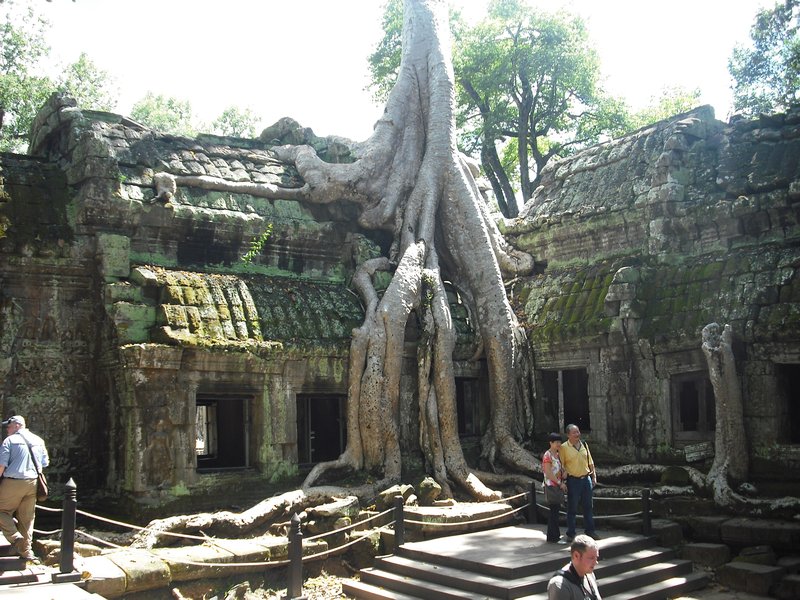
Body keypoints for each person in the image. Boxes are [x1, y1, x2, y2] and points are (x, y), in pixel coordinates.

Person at [0, 415, 49, 563]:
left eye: (8, 426)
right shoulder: (38, 440)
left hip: (13, 482)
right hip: (32, 483)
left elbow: (2, 466)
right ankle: (26, 552)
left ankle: (15, 537)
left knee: (2, 511)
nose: (7, 430)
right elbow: (44, 463)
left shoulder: (9, 441)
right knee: (27, 519)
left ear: (16, 425)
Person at [559, 424, 597, 542]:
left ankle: (590, 531)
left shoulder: (584, 444)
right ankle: (571, 533)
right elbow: (561, 464)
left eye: (578, 432)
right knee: (572, 508)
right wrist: (562, 480)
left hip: (586, 479)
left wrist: (594, 476)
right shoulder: (564, 448)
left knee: (588, 507)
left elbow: (590, 462)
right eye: (574, 432)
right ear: (568, 435)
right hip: (573, 480)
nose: (577, 434)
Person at [547, 534, 601, 599]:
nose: (596, 562)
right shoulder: (559, 584)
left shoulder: (590, 575)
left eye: (596, 558)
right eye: (591, 558)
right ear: (576, 556)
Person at [542, 432, 567, 543]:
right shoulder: (547, 455)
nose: (558, 444)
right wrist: (559, 482)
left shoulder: (558, 455)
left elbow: (558, 469)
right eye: (556, 442)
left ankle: (552, 536)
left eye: (559, 442)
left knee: (555, 511)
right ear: (550, 443)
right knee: (554, 512)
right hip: (551, 485)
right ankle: (554, 537)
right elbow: (548, 472)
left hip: (557, 485)